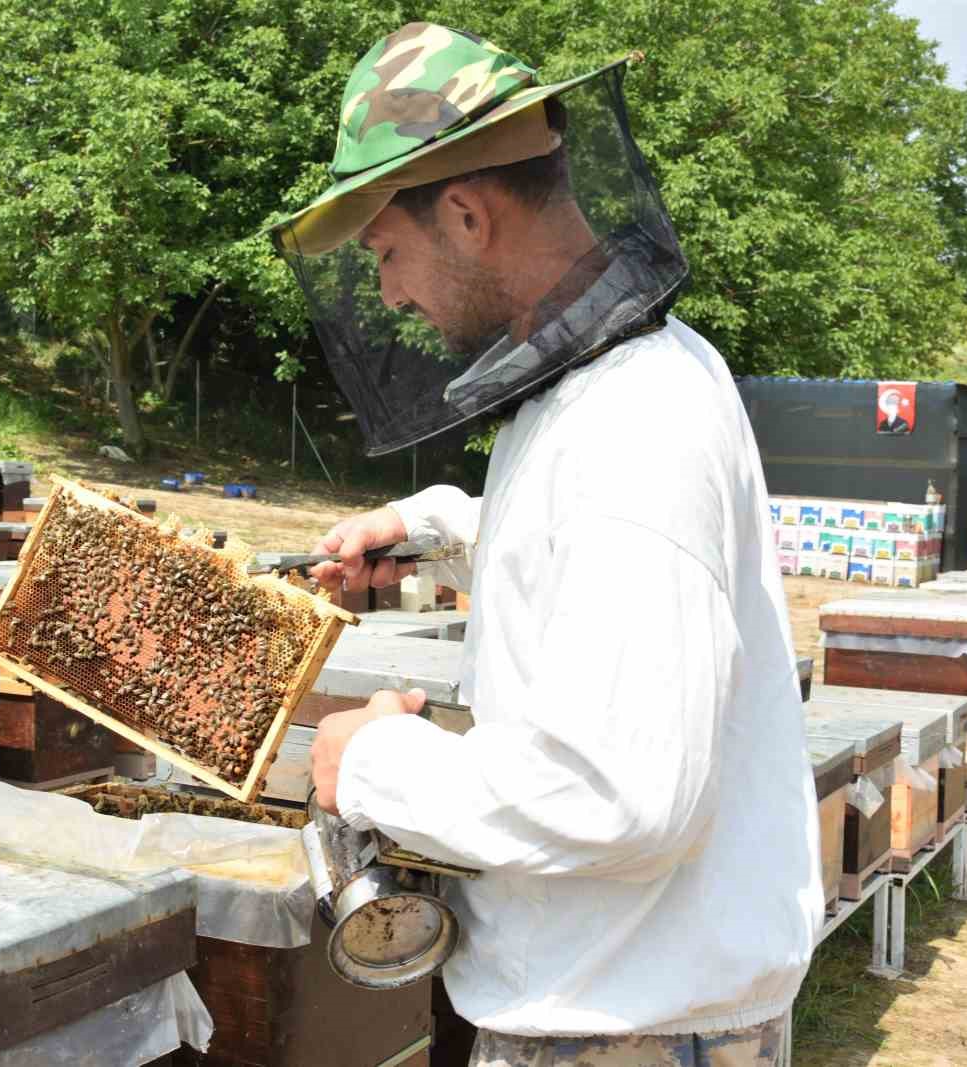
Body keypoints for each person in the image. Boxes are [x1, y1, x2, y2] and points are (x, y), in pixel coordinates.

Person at [267, 23, 823, 1067]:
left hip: (624, 1029)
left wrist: (372, 762)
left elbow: (616, 795)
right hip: (629, 1012)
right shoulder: (615, 387)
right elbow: (587, 545)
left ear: (468, 214)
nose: (386, 292)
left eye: (386, 252)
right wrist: (433, 532)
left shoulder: (631, 427)